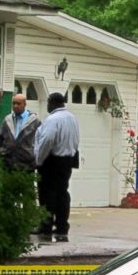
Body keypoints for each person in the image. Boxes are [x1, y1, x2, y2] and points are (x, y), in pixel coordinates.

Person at [33, 92, 80, 242]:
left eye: (48, 102)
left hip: (52, 161)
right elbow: (76, 139)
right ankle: (61, 226)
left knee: (47, 195)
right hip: (67, 161)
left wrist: (39, 160)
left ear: (52, 103)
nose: (47, 105)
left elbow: (47, 140)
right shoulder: (72, 119)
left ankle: (46, 226)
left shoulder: (52, 120)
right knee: (62, 194)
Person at [0, 93, 40, 171]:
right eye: (14, 103)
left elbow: (40, 140)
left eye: (18, 104)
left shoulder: (34, 121)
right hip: (8, 163)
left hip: (26, 164)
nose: (15, 106)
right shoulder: (7, 119)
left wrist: (34, 157)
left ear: (25, 104)